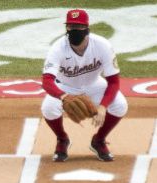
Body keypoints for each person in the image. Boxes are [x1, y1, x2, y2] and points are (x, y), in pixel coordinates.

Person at [41, 8, 129, 162]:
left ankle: (98, 140)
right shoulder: (58, 48)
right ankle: (62, 139)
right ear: (66, 28)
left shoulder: (102, 45)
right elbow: (47, 81)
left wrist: (102, 107)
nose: (74, 30)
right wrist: (63, 96)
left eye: (78, 27)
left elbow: (114, 81)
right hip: (65, 86)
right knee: (48, 108)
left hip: (94, 84)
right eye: (70, 27)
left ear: (87, 29)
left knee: (120, 105)